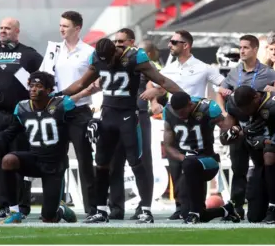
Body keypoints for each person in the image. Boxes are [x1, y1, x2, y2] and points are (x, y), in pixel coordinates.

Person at [53, 38, 184, 224]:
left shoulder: (134, 56)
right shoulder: (97, 58)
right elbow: (81, 83)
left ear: (115, 50)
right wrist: (58, 94)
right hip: (107, 116)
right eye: (103, 60)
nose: (106, 62)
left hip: (129, 117)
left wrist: (183, 94)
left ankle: (145, 210)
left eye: (109, 58)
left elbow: (161, 79)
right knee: (101, 164)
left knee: (136, 163)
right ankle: (101, 210)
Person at [142, 30, 225, 220]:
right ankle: (180, 206)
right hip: (174, 119)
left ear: (185, 45)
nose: (169, 45)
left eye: (173, 42)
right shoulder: (169, 67)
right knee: (175, 163)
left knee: (197, 162)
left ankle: (196, 206)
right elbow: (153, 84)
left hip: (199, 120)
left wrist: (221, 105)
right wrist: (154, 102)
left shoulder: (203, 67)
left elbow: (222, 85)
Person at [0, 17, 43, 220]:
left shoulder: (29, 54)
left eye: (7, 28)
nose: (3, 31)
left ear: (17, 31)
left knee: (19, 160)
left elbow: (46, 77)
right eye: (1, 28)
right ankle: (4, 206)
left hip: (20, 114)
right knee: (0, 162)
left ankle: (22, 206)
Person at [0, 71, 80, 224]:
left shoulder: (62, 105)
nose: (33, 89)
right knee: (8, 160)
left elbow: (78, 125)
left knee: (48, 218)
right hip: (34, 160)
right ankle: (15, 212)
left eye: (39, 86)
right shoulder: (22, 108)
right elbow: (9, 133)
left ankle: (60, 210)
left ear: (49, 90)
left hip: (55, 164)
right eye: (31, 86)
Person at [39, 11, 96, 216]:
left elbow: (96, 83)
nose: (61, 28)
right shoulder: (54, 50)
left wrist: (77, 96)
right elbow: (44, 78)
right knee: (55, 159)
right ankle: (54, 206)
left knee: (84, 159)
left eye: (66, 26)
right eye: (60, 25)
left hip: (80, 110)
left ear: (78, 28)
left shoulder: (89, 51)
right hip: (56, 110)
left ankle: (92, 209)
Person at [215, 35, 275, 220]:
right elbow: (220, 91)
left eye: (246, 47)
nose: (241, 51)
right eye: (240, 47)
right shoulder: (234, 72)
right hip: (239, 128)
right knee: (238, 169)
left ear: (255, 49)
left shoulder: (268, 73)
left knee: (262, 167)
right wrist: (224, 114)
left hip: (259, 129)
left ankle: (266, 203)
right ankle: (237, 206)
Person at [223, 86, 275, 223]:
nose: (245, 112)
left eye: (247, 107)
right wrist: (236, 132)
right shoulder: (233, 105)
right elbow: (224, 139)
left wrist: (267, 142)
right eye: (242, 109)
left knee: (269, 153)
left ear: (256, 97)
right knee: (255, 217)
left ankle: (274, 209)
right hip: (261, 163)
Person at [163, 92, 240, 223]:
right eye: (177, 113)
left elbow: (226, 132)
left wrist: (234, 131)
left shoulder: (208, 108)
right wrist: (184, 158)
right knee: (192, 213)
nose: (180, 116)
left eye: (182, 112)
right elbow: (168, 146)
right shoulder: (168, 110)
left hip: (208, 160)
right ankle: (226, 210)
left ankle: (194, 212)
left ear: (190, 105)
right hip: (187, 163)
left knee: (190, 164)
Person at [108, 28, 156, 220]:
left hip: (138, 116)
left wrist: (155, 97)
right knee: (114, 164)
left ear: (132, 42)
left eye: (122, 41)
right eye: (116, 42)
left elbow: (155, 83)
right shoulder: (110, 61)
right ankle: (116, 207)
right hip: (115, 116)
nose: (118, 45)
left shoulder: (141, 60)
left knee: (142, 163)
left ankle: (144, 206)